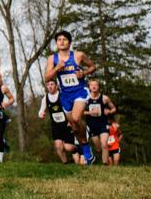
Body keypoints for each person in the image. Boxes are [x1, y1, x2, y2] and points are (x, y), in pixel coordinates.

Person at [44, 30, 97, 165]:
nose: (61, 41)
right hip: (65, 95)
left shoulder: (78, 55)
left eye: (64, 39)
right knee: (74, 126)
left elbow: (93, 66)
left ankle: (86, 134)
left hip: (80, 91)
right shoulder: (52, 59)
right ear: (56, 43)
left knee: (76, 118)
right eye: (59, 40)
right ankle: (86, 150)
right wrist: (57, 68)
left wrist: (84, 73)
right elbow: (47, 78)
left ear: (69, 42)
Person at [38, 79, 77, 164]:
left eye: (52, 84)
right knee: (58, 146)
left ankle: (78, 149)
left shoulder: (62, 95)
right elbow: (41, 110)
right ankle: (65, 164)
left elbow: (72, 108)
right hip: (56, 126)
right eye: (48, 85)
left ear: (56, 85)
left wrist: (71, 121)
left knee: (68, 148)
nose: (50, 86)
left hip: (67, 124)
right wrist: (41, 114)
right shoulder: (45, 98)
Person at [85, 78, 116, 165]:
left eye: (96, 85)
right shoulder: (86, 99)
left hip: (103, 124)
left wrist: (109, 111)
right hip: (92, 125)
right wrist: (90, 112)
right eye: (91, 85)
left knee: (104, 144)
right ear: (89, 87)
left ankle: (105, 164)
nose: (94, 86)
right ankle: (97, 155)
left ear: (99, 87)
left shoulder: (105, 98)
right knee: (98, 148)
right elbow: (79, 112)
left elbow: (114, 108)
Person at [0, 83, 15, 162]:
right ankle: (4, 143)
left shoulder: (2, 88)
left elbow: (12, 99)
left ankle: (0, 160)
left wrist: (6, 103)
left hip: (0, 114)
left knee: (0, 135)